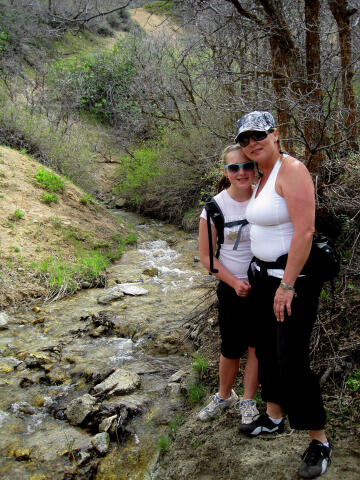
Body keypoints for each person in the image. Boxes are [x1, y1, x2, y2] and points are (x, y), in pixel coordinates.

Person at [234, 111, 331, 479]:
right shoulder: (259, 177)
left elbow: (304, 232)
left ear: (276, 134)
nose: (252, 143)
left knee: (291, 359)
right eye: (245, 139)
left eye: (258, 135)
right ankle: (274, 416)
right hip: (261, 279)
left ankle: (318, 439)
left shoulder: (292, 170)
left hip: (292, 282)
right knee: (267, 351)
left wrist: (287, 285)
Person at [197, 144, 259, 424]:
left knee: (257, 346)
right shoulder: (214, 208)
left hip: (265, 284)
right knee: (231, 347)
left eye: (247, 166)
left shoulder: (266, 196)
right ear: (225, 171)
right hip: (231, 287)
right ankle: (225, 395)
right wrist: (234, 282)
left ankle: (248, 401)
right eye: (234, 168)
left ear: (255, 167)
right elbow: (208, 257)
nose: (242, 172)